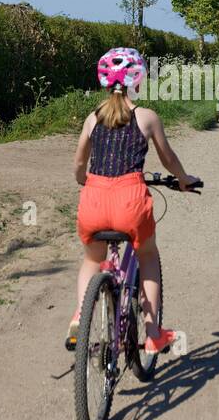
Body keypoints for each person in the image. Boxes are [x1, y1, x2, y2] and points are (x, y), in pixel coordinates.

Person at [67, 47, 196, 353]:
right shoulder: (147, 117)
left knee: (92, 260)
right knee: (148, 256)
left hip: (94, 201)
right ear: (137, 79)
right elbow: (168, 159)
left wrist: (85, 182)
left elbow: (78, 165)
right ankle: (153, 334)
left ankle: (79, 318)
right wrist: (183, 179)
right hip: (130, 202)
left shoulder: (92, 118)